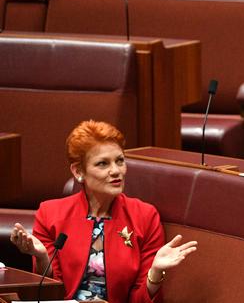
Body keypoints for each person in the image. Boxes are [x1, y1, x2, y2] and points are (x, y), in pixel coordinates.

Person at [10, 120, 198, 302]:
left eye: (120, 161)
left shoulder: (145, 216)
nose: (116, 171)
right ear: (78, 171)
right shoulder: (50, 213)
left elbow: (140, 300)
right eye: (103, 164)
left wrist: (155, 273)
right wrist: (42, 257)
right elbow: (49, 296)